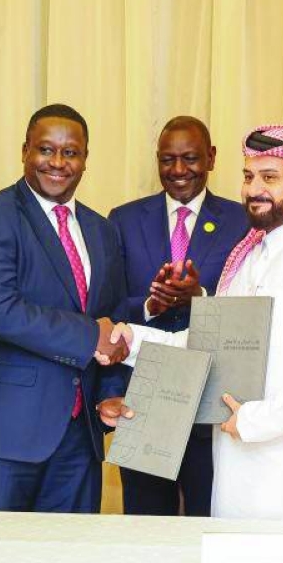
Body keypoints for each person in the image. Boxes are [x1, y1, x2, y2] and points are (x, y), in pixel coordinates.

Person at [99, 124, 283, 531]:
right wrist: (133, 338)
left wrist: (258, 420)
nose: (254, 189)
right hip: (239, 478)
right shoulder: (247, 261)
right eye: (248, 177)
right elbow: (207, 347)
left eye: (270, 177)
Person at [0, 103, 131, 513]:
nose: (58, 162)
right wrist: (87, 335)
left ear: (85, 159)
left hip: (79, 441)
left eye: (71, 152)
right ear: (24, 150)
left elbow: (110, 320)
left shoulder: (101, 230)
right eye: (46, 150)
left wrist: (109, 394)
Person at [107, 116, 248, 517]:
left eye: (191, 159)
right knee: (147, 527)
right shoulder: (124, 219)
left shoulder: (243, 221)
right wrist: (152, 304)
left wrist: (198, 297)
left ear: (212, 158)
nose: (179, 170)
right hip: (146, 397)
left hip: (214, 398)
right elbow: (110, 306)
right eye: (168, 160)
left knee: (212, 519)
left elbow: (253, 307)